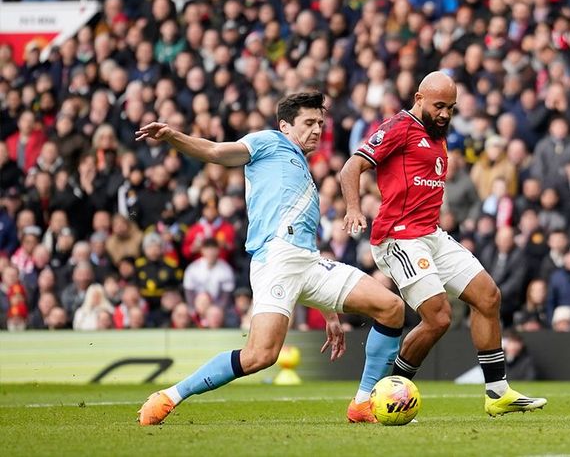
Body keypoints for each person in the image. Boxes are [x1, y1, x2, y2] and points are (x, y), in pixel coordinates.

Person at [135, 91, 405, 426]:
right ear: (284, 125)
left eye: (320, 123)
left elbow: (304, 247)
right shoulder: (268, 142)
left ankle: (363, 404)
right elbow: (216, 151)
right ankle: (169, 396)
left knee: (392, 308)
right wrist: (174, 136)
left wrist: (328, 312)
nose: (317, 130)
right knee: (260, 356)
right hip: (275, 259)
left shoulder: (302, 166)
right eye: (308, 123)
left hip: (307, 262)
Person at [341, 72, 546, 420]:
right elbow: (352, 166)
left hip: (430, 234)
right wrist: (353, 208)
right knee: (438, 318)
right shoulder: (398, 127)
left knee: (488, 296)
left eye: (450, 108)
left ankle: (498, 393)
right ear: (419, 98)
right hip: (399, 236)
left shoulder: (437, 134)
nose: (445, 114)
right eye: (439, 106)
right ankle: (392, 394)